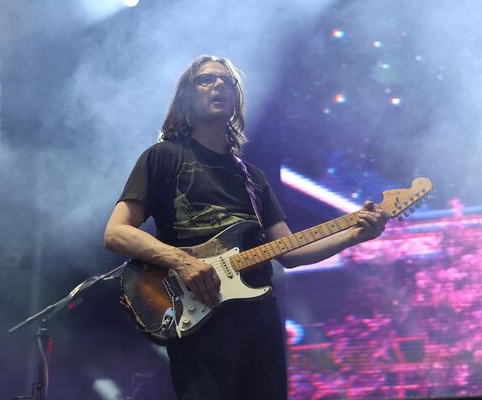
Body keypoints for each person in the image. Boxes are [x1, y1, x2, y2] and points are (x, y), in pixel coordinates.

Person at [104, 55, 389, 400]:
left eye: (227, 82)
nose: (219, 85)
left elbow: (290, 251)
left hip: (259, 317)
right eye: (207, 80)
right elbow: (116, 232)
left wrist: (354, 235)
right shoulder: (163, 156)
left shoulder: (252, 177)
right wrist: (182, 261)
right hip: (199, 311)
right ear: (186, 97)